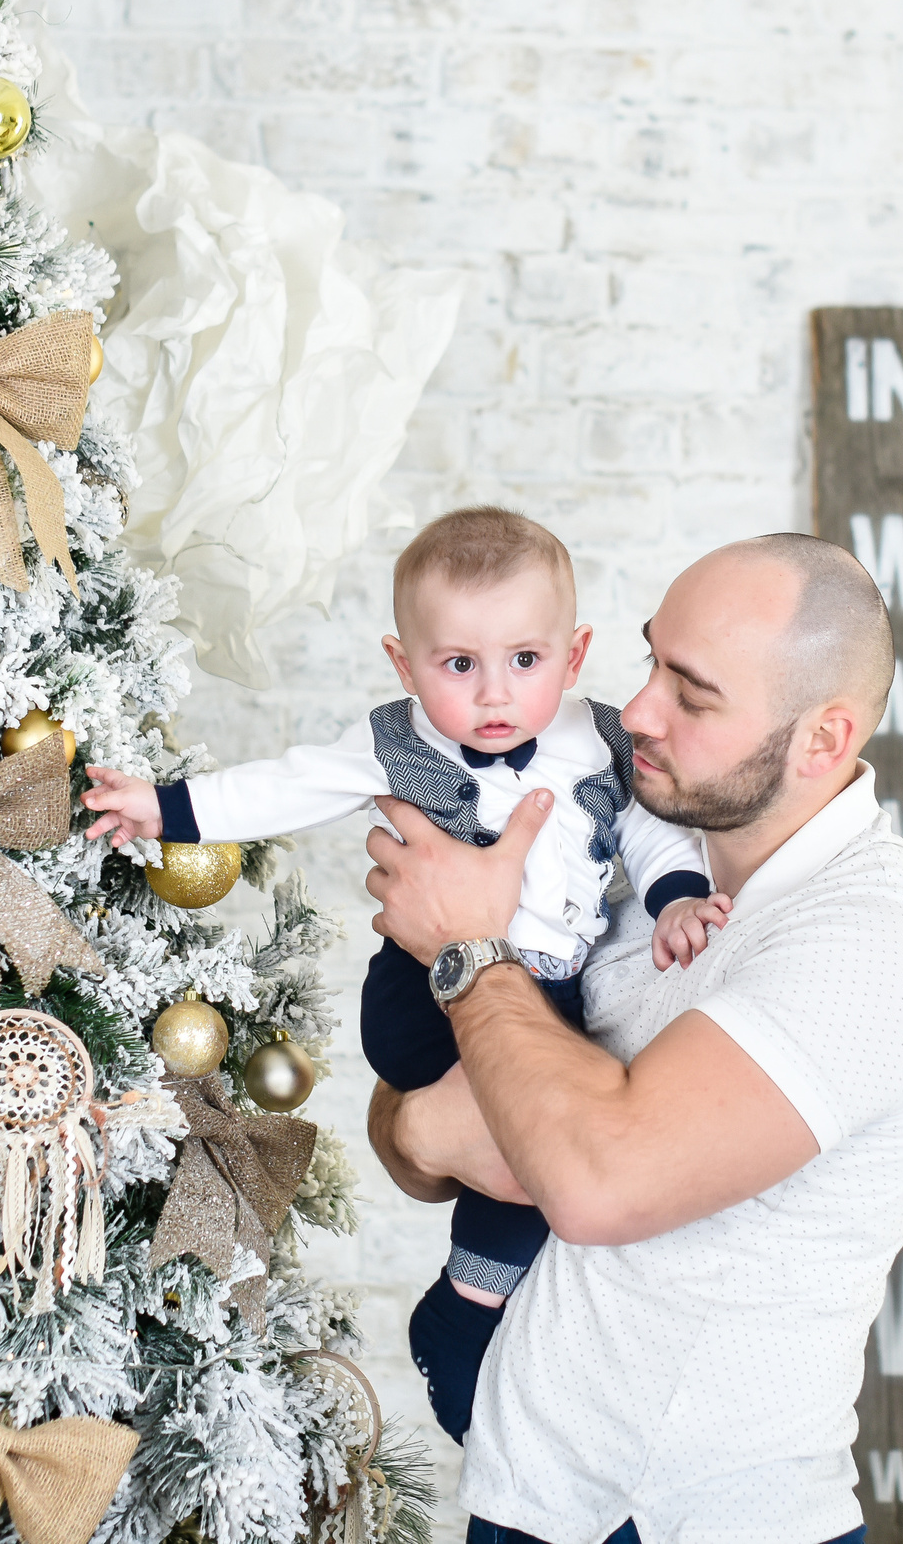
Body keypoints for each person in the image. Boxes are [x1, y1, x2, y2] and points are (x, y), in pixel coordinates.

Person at [365, 533, 903, 1544]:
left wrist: (472, 951)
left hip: (679, 1522)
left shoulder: (881, 938)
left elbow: (593, 1181)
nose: (635, 710)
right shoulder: (624, 869)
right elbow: (421, 1125)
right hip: (527, 1498)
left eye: (692, 696)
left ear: (822, 740)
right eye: (651, 660)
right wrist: (435, 1131)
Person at [81, 506, 722, 1440]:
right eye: (459, 664)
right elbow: (284, 783)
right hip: (425, 990)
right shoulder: (395, 740)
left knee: (545, 1152)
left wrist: (674, 898)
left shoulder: (608, 738)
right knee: (534, 1152)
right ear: (405, 662)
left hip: (543, 988)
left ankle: (477, 1294)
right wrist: (165, 808)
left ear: (576, 653)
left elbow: (653, 829)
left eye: (526, 661)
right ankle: (472, 1306)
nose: (495, 693)